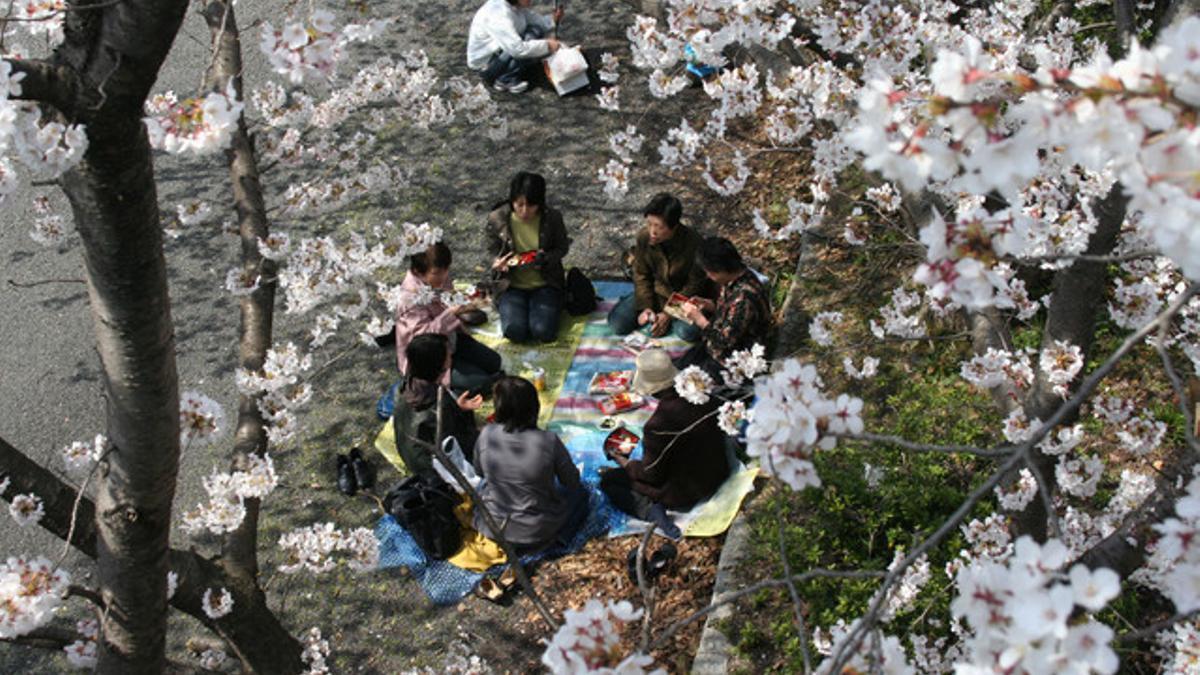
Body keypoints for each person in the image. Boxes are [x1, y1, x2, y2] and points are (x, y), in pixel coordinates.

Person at [599, 349, 730, 540]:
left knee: (609, 481)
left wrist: (625, 463)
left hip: (685, 490)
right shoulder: (700, 391)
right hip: (717, 470)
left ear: (654, 390)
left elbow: (651, 474)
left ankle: (652, 511)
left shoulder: (659, 425)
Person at [472, 376, 586, 553]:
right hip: (537, 532)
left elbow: (479, 473)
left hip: (493, 529)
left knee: (484, 490)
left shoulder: (486, 434)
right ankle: (561, 540)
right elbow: (571, 481)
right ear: (534, 408)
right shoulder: (548, 440)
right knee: (581, 495)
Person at [394, 242, 503, 396]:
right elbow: (422, 339)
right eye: (437, 272)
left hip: (451, 339)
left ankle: (463, 373)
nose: (444, 276)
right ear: (418, 271)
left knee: (494, 363)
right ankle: (447, 390)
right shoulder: (409, 298)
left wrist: (468, 304)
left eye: (447, 270)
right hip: (430, 357)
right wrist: (450, 314)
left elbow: (450, 297)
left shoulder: (440, 275)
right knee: (482, 384)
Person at [607, 193, 711, 341]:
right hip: (656, 293)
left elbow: (695, 284)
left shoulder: (694, 243)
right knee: (617, 325)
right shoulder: (644, 237)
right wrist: (646, 307)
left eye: (659, 227)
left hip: (682, 298)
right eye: (649, 224)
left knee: (687, 332)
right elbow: (641, 274)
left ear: (674, 226)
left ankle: (670, 320)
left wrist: (668, 314)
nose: (652, 232)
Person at [487, 172, 570, 343]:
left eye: (531, 205)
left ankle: (548, 309)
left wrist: (546, 258)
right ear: (512, 201)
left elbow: (562, 247)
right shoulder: (498, 218)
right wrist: (496, 262)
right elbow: (490, 249)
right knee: (514, 331)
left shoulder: (552, 218)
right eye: (520, 205)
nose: (525, 211)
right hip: (511, 286)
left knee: (542, 331)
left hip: (545, 283)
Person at [678, 236, 772, 377]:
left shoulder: (744, 298)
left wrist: (700, 320)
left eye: (709, 272)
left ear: (720, 269)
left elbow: (724, 341)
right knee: (679, 367)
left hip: (735, 357)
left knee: (688, 383)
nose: (708, 276)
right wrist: (708, 305)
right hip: (718, 341)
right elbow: (730, 312)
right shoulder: (737, 277)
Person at [393, 334, 484, 478]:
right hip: (430, 470)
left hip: (409, 451)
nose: (451, 355)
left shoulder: (407, 384)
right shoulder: (440, 404)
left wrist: (458, 408)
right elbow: (456, 445)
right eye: (447, 354)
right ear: (439, 364)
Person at [466, 0, 564, 94]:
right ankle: (505, 79)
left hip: (500, 52)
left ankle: (510, 72)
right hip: (488, 66)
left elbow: (533, 20)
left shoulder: (514, 6)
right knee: (531, 37)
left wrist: (552, 20)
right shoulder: (498, 15)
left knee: (535, 31)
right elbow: (517, 49)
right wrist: (547, 45)